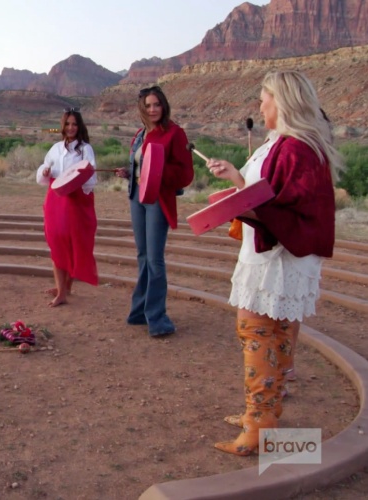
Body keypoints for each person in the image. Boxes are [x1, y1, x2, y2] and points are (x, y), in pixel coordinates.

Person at [206, 70, 341, 456]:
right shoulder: (281, 143)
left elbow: (282, 207)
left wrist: (238, 182)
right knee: (275, 335)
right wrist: (234, 187)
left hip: (277, 263)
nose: (260, 105)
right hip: (273, 259)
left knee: (258, 332)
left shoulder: (296, 148)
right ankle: (264, 411)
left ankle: (258, 429)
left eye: (264, 97)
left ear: (280, 101)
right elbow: (270, 196)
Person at [116, 86, 194, 336]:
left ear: (164, 106)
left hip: (158, 199)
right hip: (137, 197)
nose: (152, 109)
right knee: (142, 255)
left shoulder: (175, 133)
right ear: (142, 108)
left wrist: (158, 171)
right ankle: (140, 312)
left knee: (154, 259)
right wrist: (130, 172)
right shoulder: (140, 134)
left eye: (156, 104)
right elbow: (141, 166)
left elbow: (186, 174)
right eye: (148, 105)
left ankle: (157, 318)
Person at [35, 109, 99, 307]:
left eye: (74, 124)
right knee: (57, 241)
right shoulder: (55, 148)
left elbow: (91, 175)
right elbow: (45, 169)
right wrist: (44, 170)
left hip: (76, 200)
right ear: (62, 126)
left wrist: (79, 179)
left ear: (79, 127)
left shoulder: (85, 149)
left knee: (73, 242)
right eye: (68, 124)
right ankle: (61, 288)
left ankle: (65, 288)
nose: (71, 128)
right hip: (56, 200)